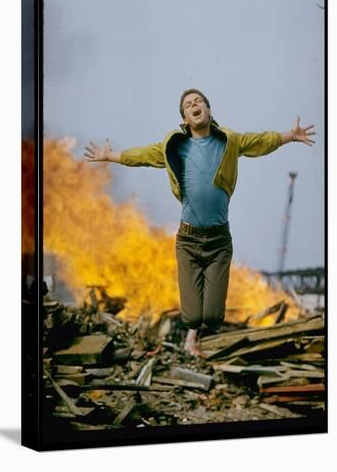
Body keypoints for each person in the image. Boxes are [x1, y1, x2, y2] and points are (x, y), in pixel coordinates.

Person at [84, 89, 315, 356]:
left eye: (199, 102)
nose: (194, 105)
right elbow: (142, 156)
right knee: (192, 317)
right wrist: (110, 155)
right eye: (188, 105)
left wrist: (290, 136)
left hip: (219, 242)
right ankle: (194, 315)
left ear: (208, 110)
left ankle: (208, 299)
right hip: (188, 241)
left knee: (214, 317)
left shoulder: (229, 141)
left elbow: (261, 141)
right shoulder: (175, 146)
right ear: (185, 118)